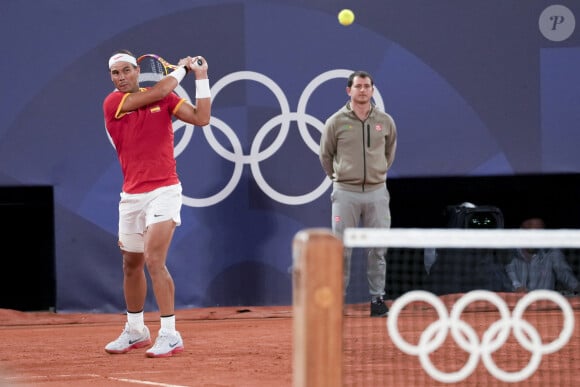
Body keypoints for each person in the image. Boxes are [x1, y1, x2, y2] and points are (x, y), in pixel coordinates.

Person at [102, 50, 211, 357]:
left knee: (153, 259)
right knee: (131, 264)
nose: (121, 77)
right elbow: (164, 88)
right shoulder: (113, 103)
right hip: (131, 196)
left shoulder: (164, 99)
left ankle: (170, 333)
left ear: (138, 71)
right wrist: (181, 71)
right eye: (115, 73)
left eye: (126, 71)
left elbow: (202, 118)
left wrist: (201, 79)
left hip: (164, 190)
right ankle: (136, 331)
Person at [319, 70, 397, 317]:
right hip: (345, 194)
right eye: (358, 86)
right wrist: (340, 178)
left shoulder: (385, 121)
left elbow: (389, 153)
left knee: (378, 249)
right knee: (341, 249)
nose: (362, 90)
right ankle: (337, 302)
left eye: (367, 86)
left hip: (377, 193)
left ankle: (377, 300)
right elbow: (325, 155)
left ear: (372, 90)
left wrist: (377, 174)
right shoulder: (335, 121)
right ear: (348, 91)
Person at [505, 217, 580, 293]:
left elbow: (567, 277)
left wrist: (577, 286)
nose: (534, 239)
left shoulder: (552, 253)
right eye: (530, 234)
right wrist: (517, 288)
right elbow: (510, 280)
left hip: (546, 304)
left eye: (538, 234)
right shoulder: (509, 253)